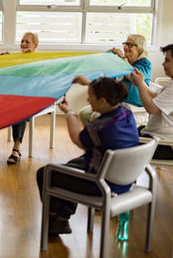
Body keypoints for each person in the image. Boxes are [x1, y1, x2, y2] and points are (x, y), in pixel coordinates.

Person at [36, 77, 138, 235]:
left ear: (103, 100)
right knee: (71, 164)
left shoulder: (98, 127)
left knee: (45, 173)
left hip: (102, 185)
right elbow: (107, 93)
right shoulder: (126, 111)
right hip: (123, 179)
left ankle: (54, 219)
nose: (88, 100)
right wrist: (89, 84)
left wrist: (69, 112)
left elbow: (77, 139)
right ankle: (62, 219)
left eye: (91, 96)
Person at [0, 32, 39, 165]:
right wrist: (2, 60)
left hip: (29, 98)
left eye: (27, 41)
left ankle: (16, 149)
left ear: (35, 45)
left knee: (20, 109)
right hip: (10, 95)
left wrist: (25, 58)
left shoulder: (39, 60)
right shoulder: (16, 58)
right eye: (22, 41)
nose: (23, 44)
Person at [78, 34, 152, 126]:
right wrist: (107, 58)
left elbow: (131, 76)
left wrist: (123, 58)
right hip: (118, 102)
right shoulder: (122, 62)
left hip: (134, 105)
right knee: (84, 114)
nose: (125, 47)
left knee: (97, 116)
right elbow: (109, 80)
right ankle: (94, 139)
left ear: (140, 48)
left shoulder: (145, 63)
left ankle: (106, 139)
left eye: (130, 45)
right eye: (125, 44)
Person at [129, 44, 173, 160]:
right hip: (153, 136)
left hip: (164, 144)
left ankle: (117, 176)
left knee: (115, 139)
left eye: (167, 60)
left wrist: (139, 85)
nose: (163, 64)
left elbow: (151, 108)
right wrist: (142, 82)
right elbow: (156, 96)